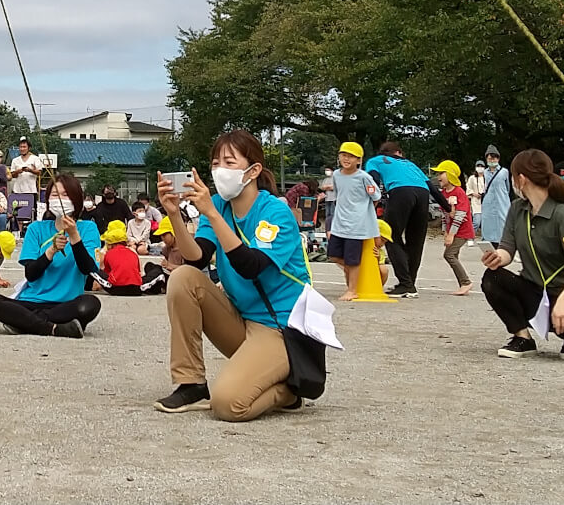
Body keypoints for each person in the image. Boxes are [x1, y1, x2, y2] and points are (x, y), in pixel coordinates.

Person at [152, 130, 334, 419]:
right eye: (214, 164)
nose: (219, 170)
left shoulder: (275, 212)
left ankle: (288, 391)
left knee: (229, 405)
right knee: (183, 277)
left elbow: (251, 266)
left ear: (253, 170)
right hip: (241, 320)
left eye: (229, 162)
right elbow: (195, 257)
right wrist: (174, 215)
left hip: (279, 328)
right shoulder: (221, 207)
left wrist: (210, 213)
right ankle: (191, 384)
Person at [481, 148, 564, 360]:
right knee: (493, 278)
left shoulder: (563, 214)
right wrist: (498, 257)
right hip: (535, 289)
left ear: (521, 179)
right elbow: (507, 248)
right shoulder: (517, 209)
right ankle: (523, 338)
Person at [0, 174, 102, 338]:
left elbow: (88, 269)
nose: (60, 200)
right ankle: (53, 328)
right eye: (54, 195)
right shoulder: (36, 228)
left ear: (76, 198)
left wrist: (74, 237)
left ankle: (24, 323)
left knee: (90, 304)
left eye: (65, 195)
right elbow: (31, 274)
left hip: (66, 303)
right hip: (31, 301)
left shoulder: (88, 228)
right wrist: (50, 252)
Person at [364, 140, 430, 297]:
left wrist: (373, 198)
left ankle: (405, 284)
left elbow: (373, 180)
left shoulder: (375, 160)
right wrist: (447, 209)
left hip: (400, 192)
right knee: (416, 241)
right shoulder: (410, 164)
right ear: (398, 152)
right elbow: (431, 186)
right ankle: (410, 283)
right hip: (423, 194)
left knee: (391, 236)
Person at [321, 143, 382, 302]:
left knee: (353, 258)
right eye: (343, 155)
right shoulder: (336, 175)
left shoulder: (364, 177)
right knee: (333, 254)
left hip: (357, 225)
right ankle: (353, 278)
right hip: (340, 222)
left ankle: (352, 290)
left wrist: (363, 213)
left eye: (351, 156)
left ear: (358, 160)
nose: (346, 159)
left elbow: (376, 197)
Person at [431, 161, 475, 295]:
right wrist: (445, 231)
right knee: (453, 255)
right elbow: (445, 214)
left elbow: (461, 215)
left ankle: (466, 282)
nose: (438, 177)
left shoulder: (459, 192)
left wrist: (451, 234)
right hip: (452, 230)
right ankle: (463, 284)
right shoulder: (444, 193)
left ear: (450, 175)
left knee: (449, 255)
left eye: (441, 173)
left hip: (463, 231)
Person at [95, 220, 143, 295]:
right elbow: (139, 272)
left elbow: (103, 270)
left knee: (92, 268)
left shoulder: (104, 252)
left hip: (116, 287)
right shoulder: (133, 252)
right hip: (136, 286)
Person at [477, 146, 510, 243]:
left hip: (502, 201)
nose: (492, 160)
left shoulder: (504, 172)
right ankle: (489, 242)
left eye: (494, 158)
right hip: (488, 202)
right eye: (490, 158)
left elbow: (508, 188)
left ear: (498, 158)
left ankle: (503, 243)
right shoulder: (484, 173)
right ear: (486, 159)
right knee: (488, 222)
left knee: (503, 222)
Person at [8, 137, 45, 223]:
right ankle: (18, 230)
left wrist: (30, 170)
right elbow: (12, 175)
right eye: (20, 147)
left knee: (32, 212)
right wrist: (18, 171)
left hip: (31, 190)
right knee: (17, 212)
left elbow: (39, 172)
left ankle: (31, 229)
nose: (22, 149)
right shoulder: (15, 160)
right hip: (18, 190)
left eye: (24, 147)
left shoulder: (35, 159)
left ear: (29, 148)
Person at [465, 159, 488, 235]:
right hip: (476, 202)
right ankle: (470, 236)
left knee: (486, 223)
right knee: (476, 222)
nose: (480, 168)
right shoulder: (472, 178)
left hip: (486, 202)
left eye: (482, 166)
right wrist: (474, 194)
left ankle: (485, 238)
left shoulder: (487, 177)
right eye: (478, 166)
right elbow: (468, 188)